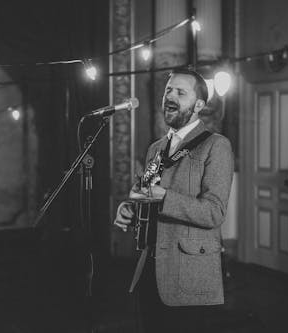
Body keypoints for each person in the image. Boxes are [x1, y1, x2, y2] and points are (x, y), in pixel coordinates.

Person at [114, 68, 234, 333]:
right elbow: (148, 197)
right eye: (168, 90)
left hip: (188, 272)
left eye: (181, 92)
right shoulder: (156, 149)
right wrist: (131, 210)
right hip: (150, 270)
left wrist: (165, 197)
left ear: (199, 105)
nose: (170, 96)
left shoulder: (216, 145)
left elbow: (214, 212)